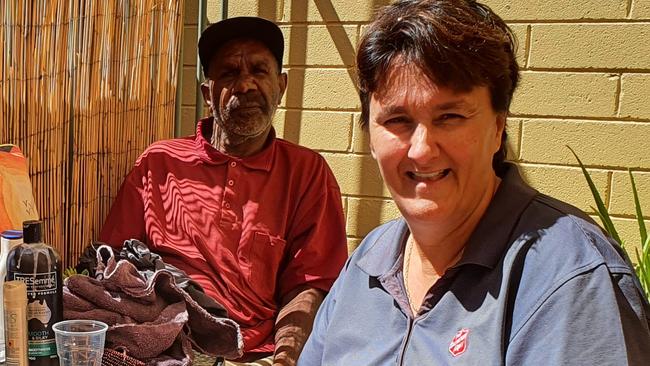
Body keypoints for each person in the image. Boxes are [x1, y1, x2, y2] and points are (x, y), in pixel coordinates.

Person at [298, 1, 650, 365]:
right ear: (370, 136)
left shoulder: (569, 277)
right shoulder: (368, 263)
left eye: (449, 116)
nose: (421, 150)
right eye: (397, 120)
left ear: (498, 128)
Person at [99, 16, 348, 366]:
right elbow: (113, 262)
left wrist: (285, 357)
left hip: (253, 354)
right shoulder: (158, 162)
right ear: (207, 93)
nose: (245, 85)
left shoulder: (307, 173)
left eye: (259, 71)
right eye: (229, 73)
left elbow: (311, 285)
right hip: (163, 345)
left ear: (281, 85)